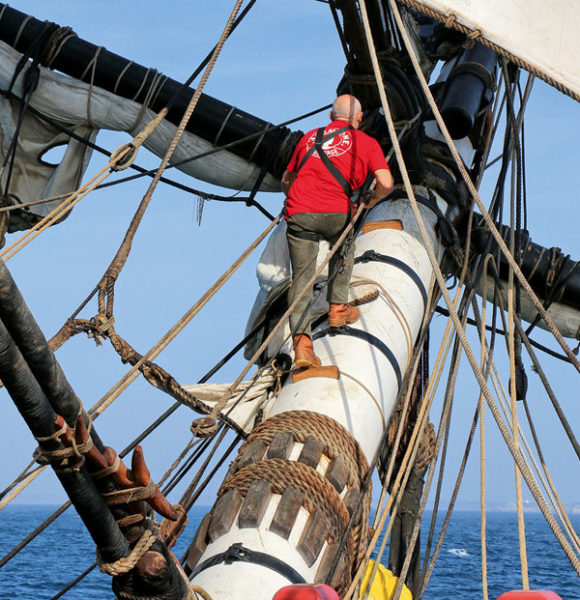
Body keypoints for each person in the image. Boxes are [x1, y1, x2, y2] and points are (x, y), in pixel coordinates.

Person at [281, 94, 393, 368]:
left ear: (331, 117)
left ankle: (303, 347)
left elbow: (287, 179)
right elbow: (386, 182)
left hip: (300, 214)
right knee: (344, 249)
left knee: (302, 280)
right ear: (359, 120)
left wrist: (295, 200)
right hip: (337, 215)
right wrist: (372, 200)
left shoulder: (309, 138)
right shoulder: (367, 143)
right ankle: (337, 309)